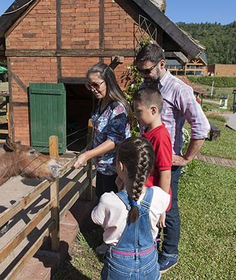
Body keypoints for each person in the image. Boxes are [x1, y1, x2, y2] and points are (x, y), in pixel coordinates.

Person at [135, 43, 211, 273]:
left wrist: (186, 158)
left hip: (167, 162)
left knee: (168, 207)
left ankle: (169, 253)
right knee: (148, 203)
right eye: (141, 71)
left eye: (147, 71)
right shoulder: (146, 86)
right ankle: (150, 245)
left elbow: (202, 127)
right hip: (147, 162)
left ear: (161, 64)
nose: (144, 76)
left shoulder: (179, 90)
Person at [91, 137, 170, 280]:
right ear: (150, 167)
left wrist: (119, 190)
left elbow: (98, 219)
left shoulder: (108, 200)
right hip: (150, 263)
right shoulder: (159, 196)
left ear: (120, 166)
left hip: (119, 267)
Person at [73, 62, 131, 254]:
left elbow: (114, 140)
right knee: (104, 201)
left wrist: (87, 155)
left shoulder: (118, 108)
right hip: (103, 165)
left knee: (115, 208)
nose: (93, 89)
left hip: (116, 167)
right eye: (90, 85)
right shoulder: (100, 104)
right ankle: (107, 237)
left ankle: (113, 246)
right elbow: (99, 134)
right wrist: (87, 150)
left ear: (108, 81)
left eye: (96, 84)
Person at [132, 87, 172, 230]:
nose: (136, 115)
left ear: (153, 110)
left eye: (139, 111)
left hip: (153, 198)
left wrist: (161, 208)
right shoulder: (147, 131)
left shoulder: (160, 137)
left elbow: (165, 174)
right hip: (144, 193)